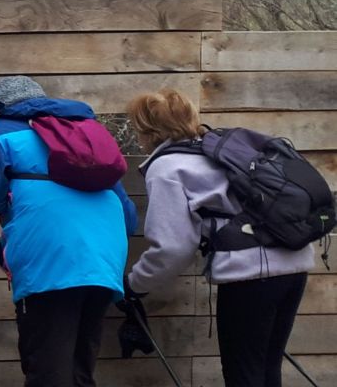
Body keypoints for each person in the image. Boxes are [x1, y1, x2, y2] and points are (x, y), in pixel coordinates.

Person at [0, 76, 139, 387]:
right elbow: (129, 218)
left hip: (51, 259)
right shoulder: (83, 135)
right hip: (104, 258)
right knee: (79, 370)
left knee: (47, 371)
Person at [123, 89, 317, 387]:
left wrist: (136, 284)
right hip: (294, 265)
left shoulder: (167, 166)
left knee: (244, 375)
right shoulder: (221, 150)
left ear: (147, 130)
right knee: (266, 369)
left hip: (251, 277)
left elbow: (174, 246)